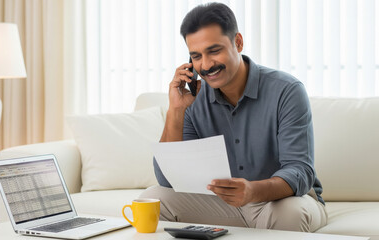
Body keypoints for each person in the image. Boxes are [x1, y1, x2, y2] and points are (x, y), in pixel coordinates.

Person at [140, 2, 327, 232]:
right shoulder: (194, 98)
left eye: (214, 51)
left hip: (277, 202)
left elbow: (300, 170)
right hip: (221, 205)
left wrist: (251, 191)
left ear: (237, 42)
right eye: (196, 56)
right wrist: (176, 110)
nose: (206, 65)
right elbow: (167, 180)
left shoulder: (286, 91)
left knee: (291, 215)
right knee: (152, 199)